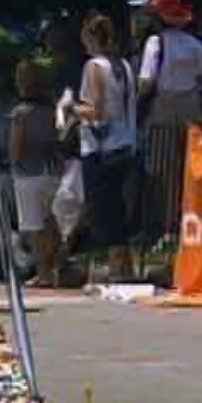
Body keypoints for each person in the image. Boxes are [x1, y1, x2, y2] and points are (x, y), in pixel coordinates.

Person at [66, 14, 137, 281]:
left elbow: (97, 111)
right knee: (117, 206)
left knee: (104, 209)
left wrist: (72, 108)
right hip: (126, 142)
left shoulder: (94, 66)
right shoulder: (124, 66)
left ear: (91, 39)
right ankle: (124, 264)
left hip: (101, 147)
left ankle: (117, 265)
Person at [10, 60, 59, 287]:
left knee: (34, 227)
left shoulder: (20, 113)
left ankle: (43, 273)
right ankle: (54, 268)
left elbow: (16, 147)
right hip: (51, 170)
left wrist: (12, 162)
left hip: (28, 173)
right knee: (49, 223)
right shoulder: (50, 110)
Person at [138, 0, 202, 125]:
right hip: (191, 107)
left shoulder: (155, 42)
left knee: (163, 138)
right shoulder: (195, 44)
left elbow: (146, 82)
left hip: (164, 108)